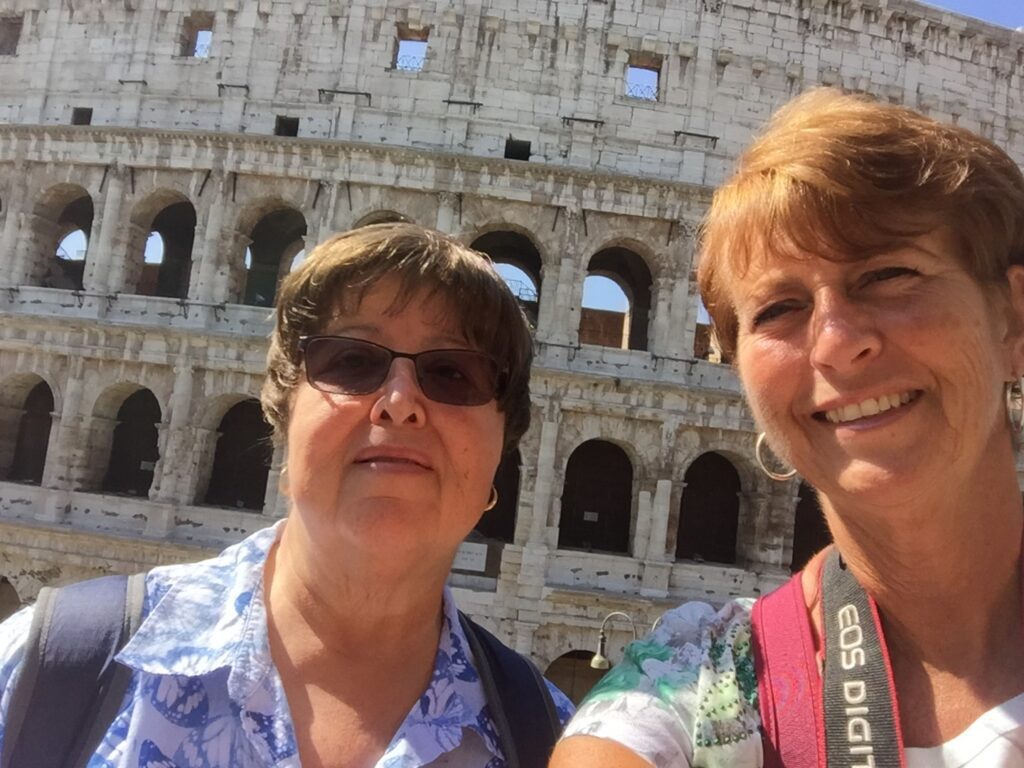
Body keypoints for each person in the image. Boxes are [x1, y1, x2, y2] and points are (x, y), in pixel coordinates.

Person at [550, 88, 1024, 767]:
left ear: (1012, 318)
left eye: (889, 274)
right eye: (778, 309)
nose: (835, 342)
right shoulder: (693, 685)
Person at [0, 223, 573, 766]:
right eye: (351, 361)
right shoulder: (48, 669)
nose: (399, 401)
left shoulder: (554, 744)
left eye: (454, 372)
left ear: (502, 454)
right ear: (283, 419)